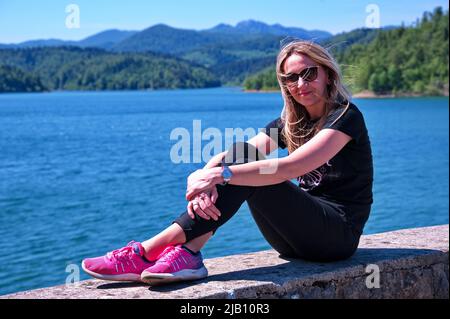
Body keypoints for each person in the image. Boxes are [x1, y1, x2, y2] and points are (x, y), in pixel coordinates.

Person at [82, 40, 373, 286]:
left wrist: (222, 176)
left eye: (309, 74)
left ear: (328, 75)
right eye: (290, 78)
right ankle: (187, 253)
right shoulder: (291, 122)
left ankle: (150, 251)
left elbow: (290, 168)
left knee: (249, 170)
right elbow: (240, 152)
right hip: (292, 240)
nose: (300, 84)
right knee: (241, 158)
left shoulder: (345, 117)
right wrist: (202, 177)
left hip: (336, 237)